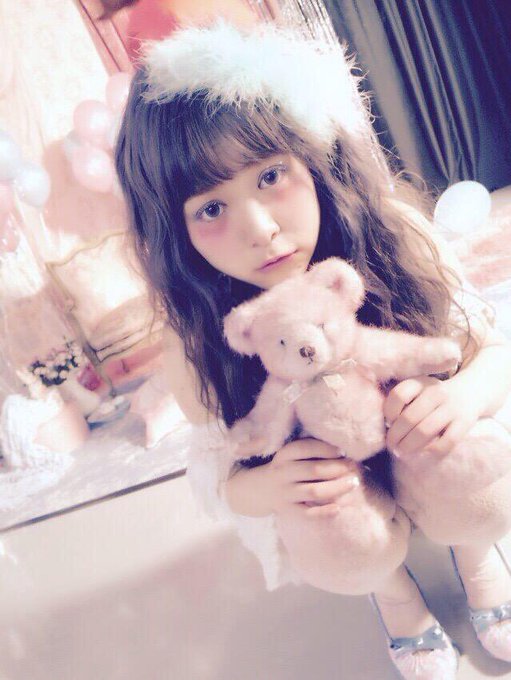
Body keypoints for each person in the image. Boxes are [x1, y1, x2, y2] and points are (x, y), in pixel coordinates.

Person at [115, 21, 511, 680]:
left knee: (472, 464)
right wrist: (273, 483)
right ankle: (395, 594)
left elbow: (492, 353)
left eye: (271, 175)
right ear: (175, 232)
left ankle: (478, 557)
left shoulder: (396, 238)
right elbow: (223, 476)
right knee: (334, 538)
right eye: (210, 209)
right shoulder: (195, 339)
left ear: (313, 157)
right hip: (338, 487)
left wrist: (461, 398)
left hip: (422, 449)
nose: (260, 228)